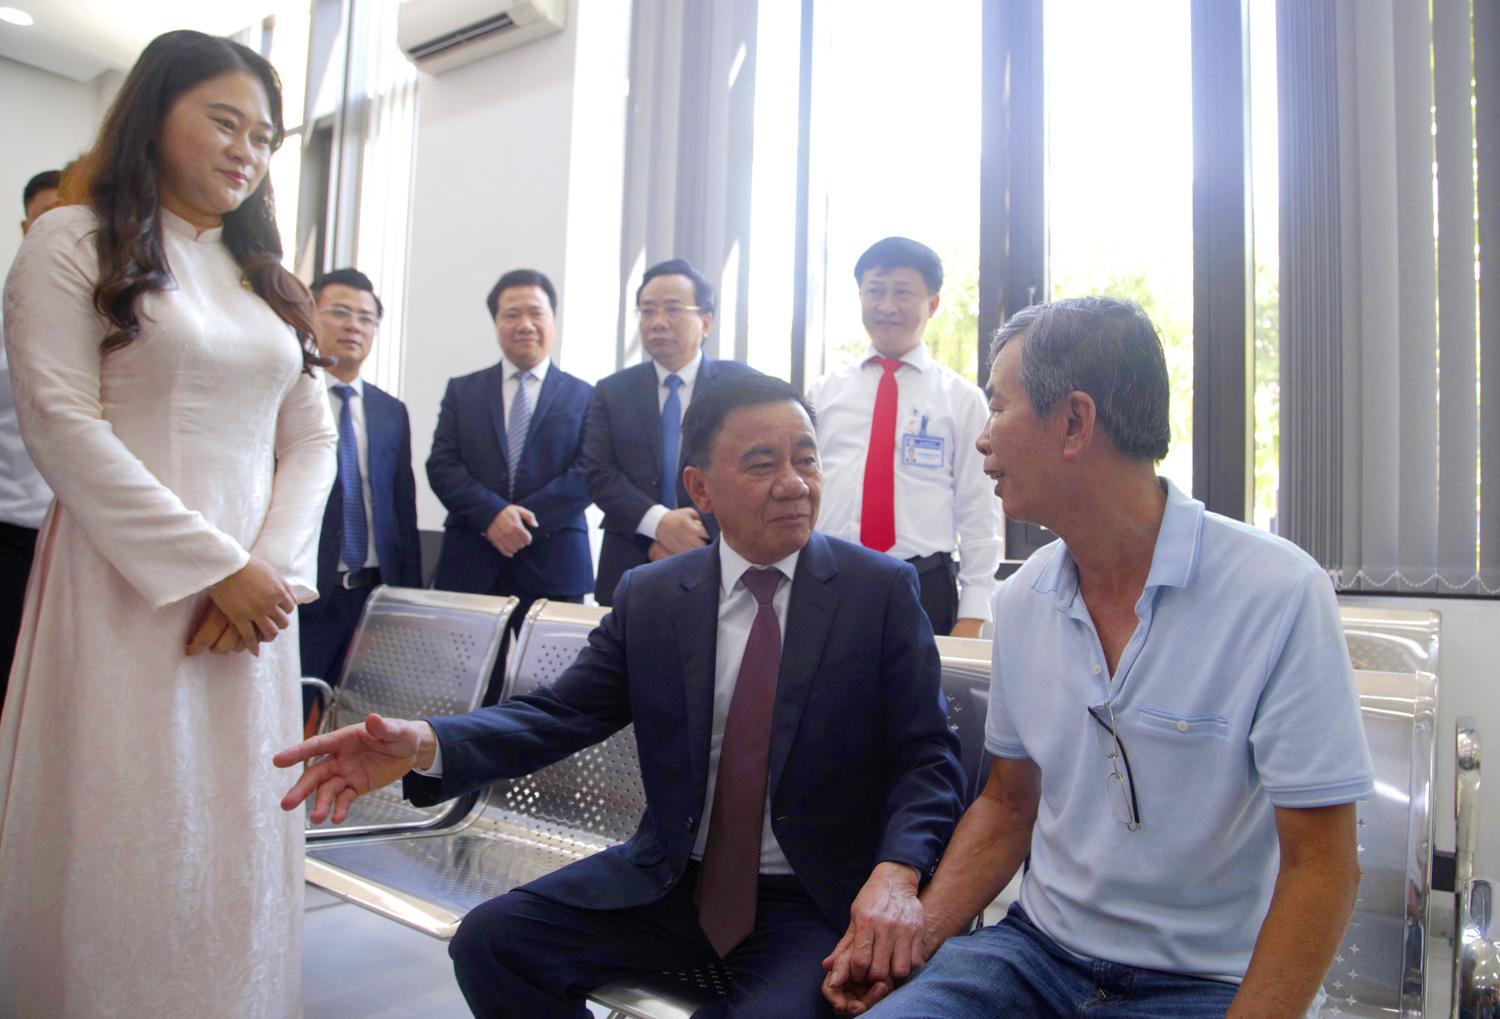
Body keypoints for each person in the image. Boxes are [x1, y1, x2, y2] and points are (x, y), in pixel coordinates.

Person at [276, 373, 966, 1019]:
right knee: (493, 944)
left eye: (806, 459)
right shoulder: (655, 597)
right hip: (671, 882)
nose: (794, 483)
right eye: (762, 464)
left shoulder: (877, 591)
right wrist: (425, 743)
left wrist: (897, 873)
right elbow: (560, 714)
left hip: (809, 899)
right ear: (700, 486)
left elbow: (927, 757)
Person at [829, 297, 1373, 1018]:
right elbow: (1008, 805)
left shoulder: (1277, 592)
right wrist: (910, 945)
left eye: (999, 408)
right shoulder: (1024, 599)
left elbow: (1322, 865)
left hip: (1207, 983)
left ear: (1075, 422)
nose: (983, 440)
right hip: (1033, 955)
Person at [0, 31, 336, 1016]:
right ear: (154, 115)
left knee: (237, 821)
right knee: (128, 812)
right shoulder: (73, 240)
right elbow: (63, 422)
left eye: (264, 137)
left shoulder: (263, 276)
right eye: (224, 122)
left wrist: (268, 571)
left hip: (255, 612)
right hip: (126, 584)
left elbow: (312, 438)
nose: (246, 151)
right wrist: (213, 566)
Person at [806, 236, 1000, 639]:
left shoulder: (962, 400)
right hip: (830, 579)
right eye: (875, 291)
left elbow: (979, 509)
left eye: (902, 292)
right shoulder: (824, 393)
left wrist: (974, 610)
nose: (887, 305)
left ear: (933, 303)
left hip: (923, 583)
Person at [584, 258, 756, 604]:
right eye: (647, 311)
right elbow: (597, 472)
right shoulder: (612, 390)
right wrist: (659, 525)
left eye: (673, 309)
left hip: (719, 558)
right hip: (631, 558)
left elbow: (753, 471)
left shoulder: (740, 385)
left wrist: (693, 534)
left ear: (706, 322)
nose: (657, 322)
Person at [427, 269, 593, 626]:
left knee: (552, 665)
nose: (525, 325)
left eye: (536, 313)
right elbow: (442, 466)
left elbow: (588, 472)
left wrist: (521, 524)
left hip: (555, 563)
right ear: (496, 323)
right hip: (471, 561)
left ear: (553, 320)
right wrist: (492, 516)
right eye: (512, 314)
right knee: (469, 665)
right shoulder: (462, 391)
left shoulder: (586, 396)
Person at [299, 267, 421, 712]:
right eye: (339, 312)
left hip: (373, 597)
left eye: (366, 318)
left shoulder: (391, 411)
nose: (354, 325)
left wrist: (406, 597)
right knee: (291, 712)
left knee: (361, 721)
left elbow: (402, 509)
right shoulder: (292, 395)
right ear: (309, 316)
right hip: (307, 592)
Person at [0, 171, 61, 694]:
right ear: (26, 227)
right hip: (12, 532)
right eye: (49, 215)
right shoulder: (10, 313)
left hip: (84, 539)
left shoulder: (118, 316)